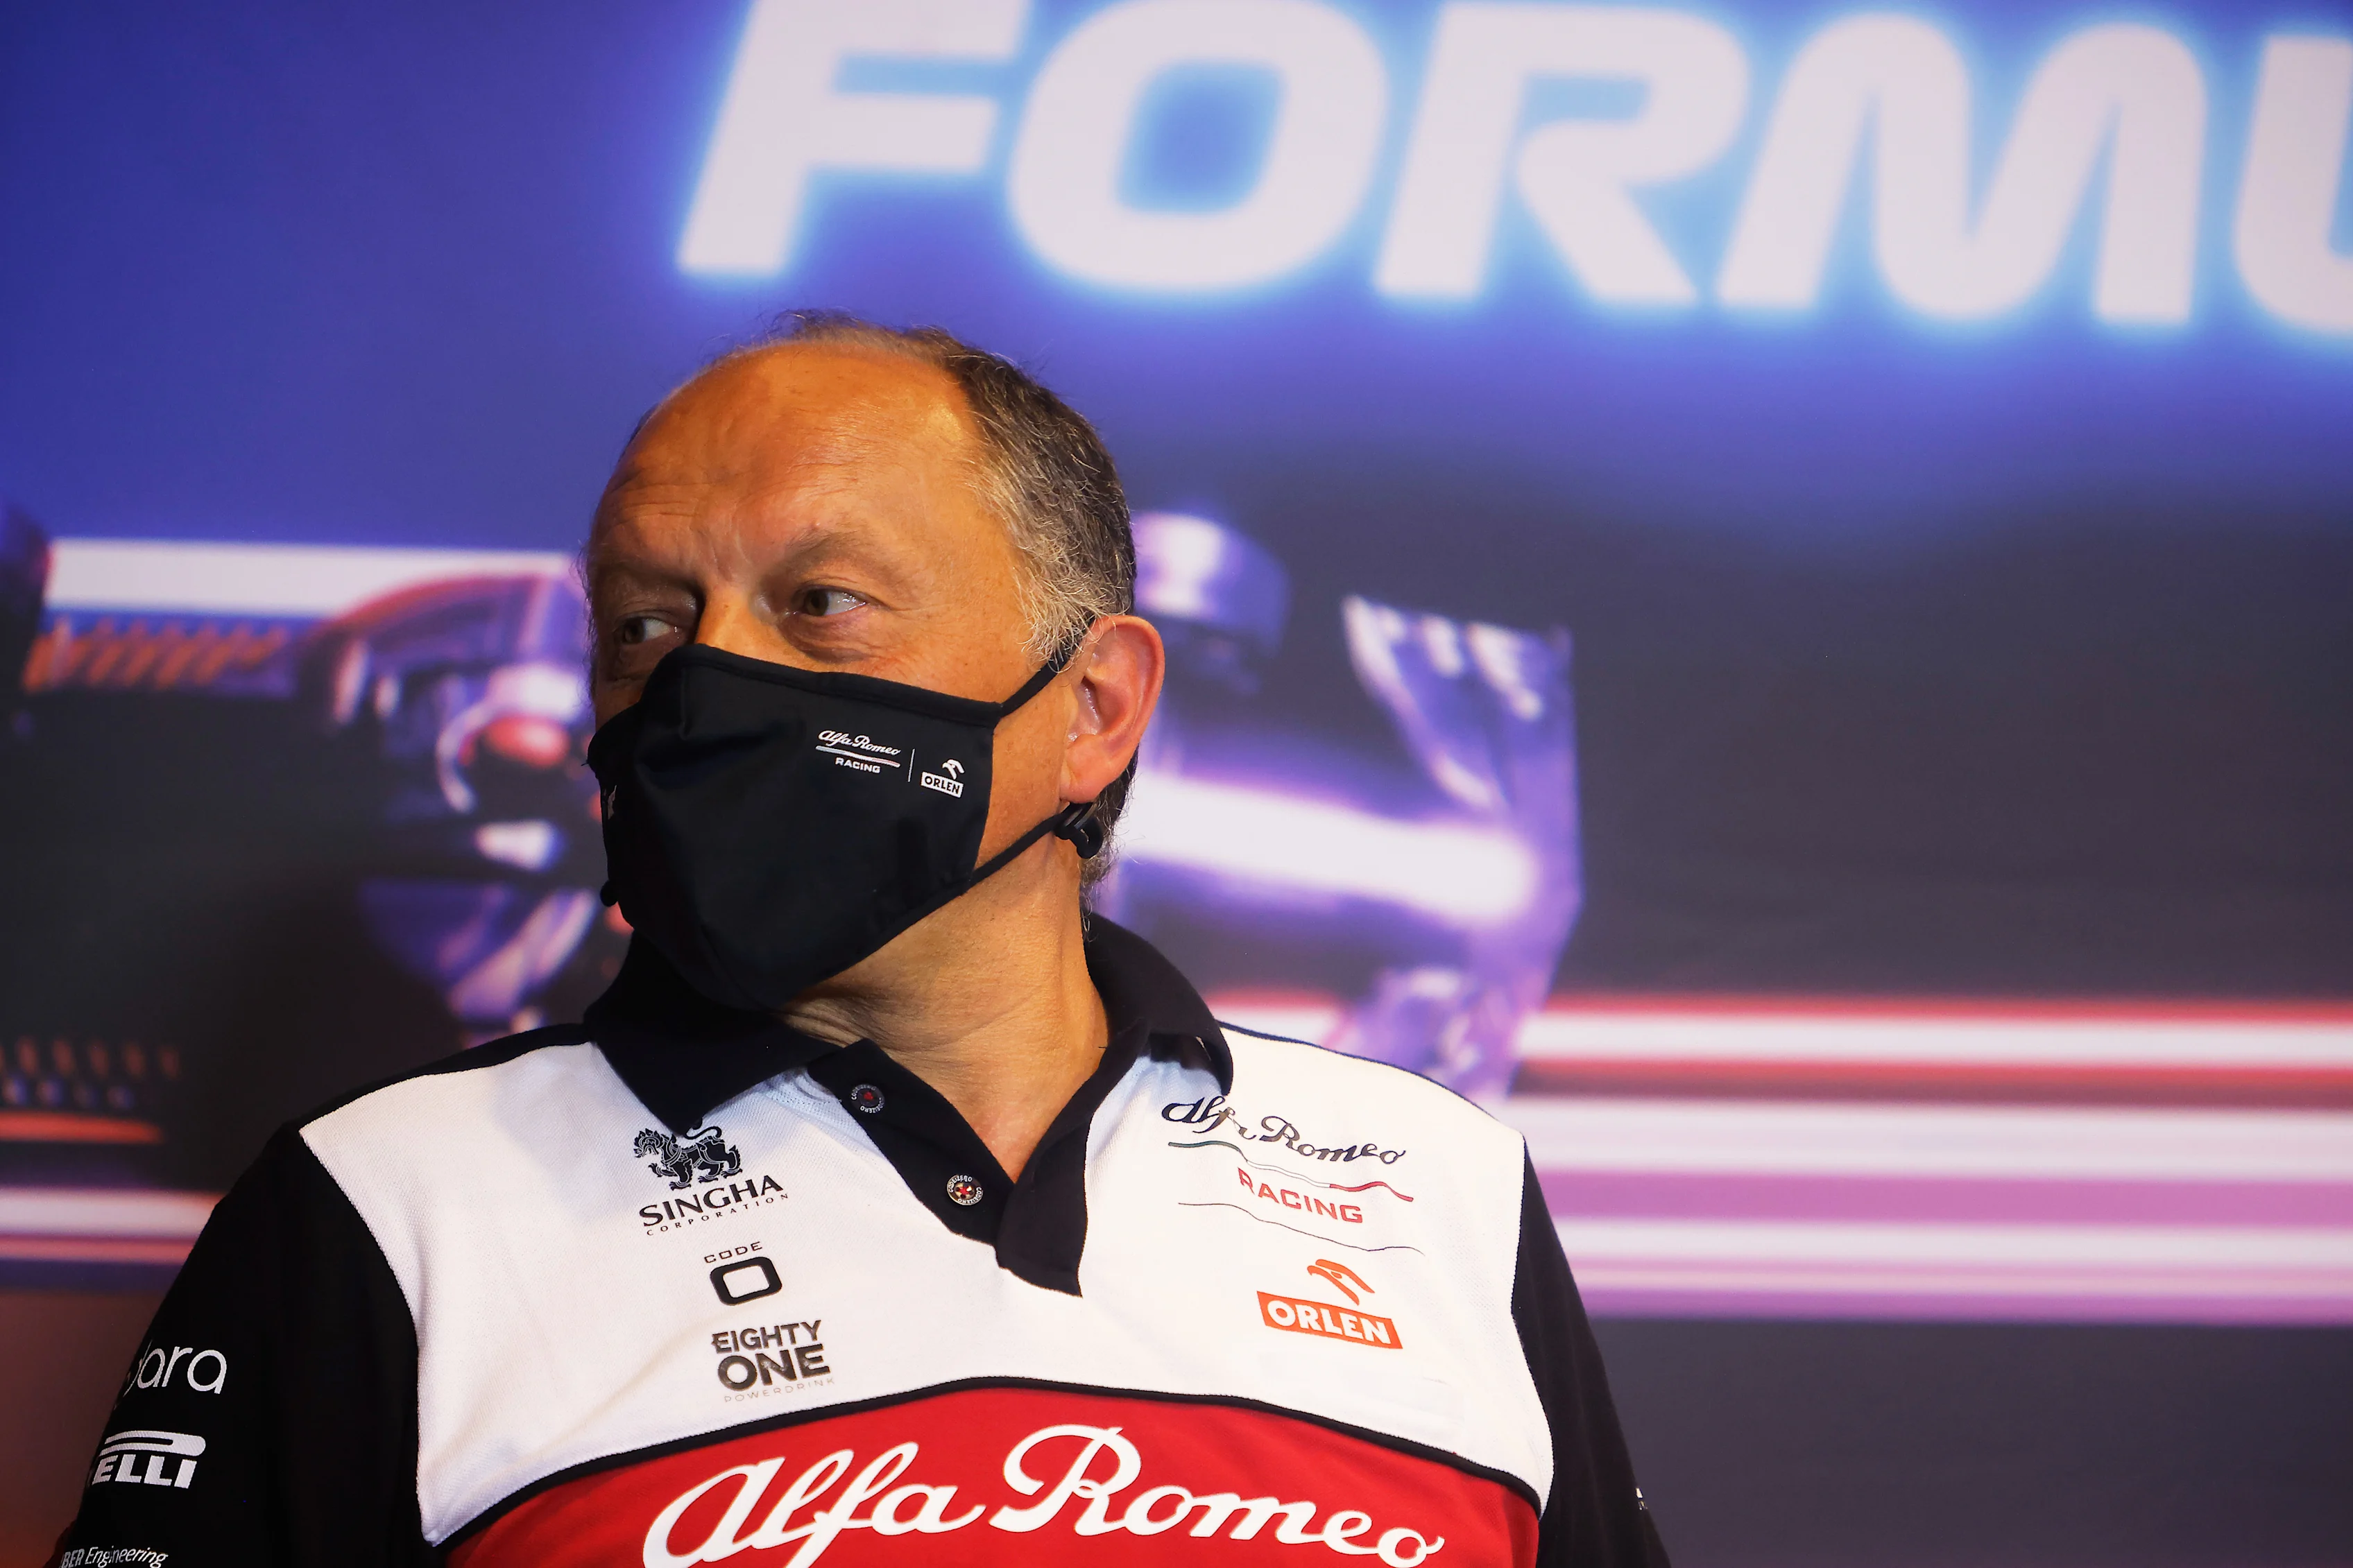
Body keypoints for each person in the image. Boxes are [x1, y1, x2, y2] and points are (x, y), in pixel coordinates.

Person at [56, 315, 1669, 1567]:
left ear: (1093, 707)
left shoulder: (1436, 1186)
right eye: (646, 623)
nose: (706, 683)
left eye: (818, 602)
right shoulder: (382, 1207)